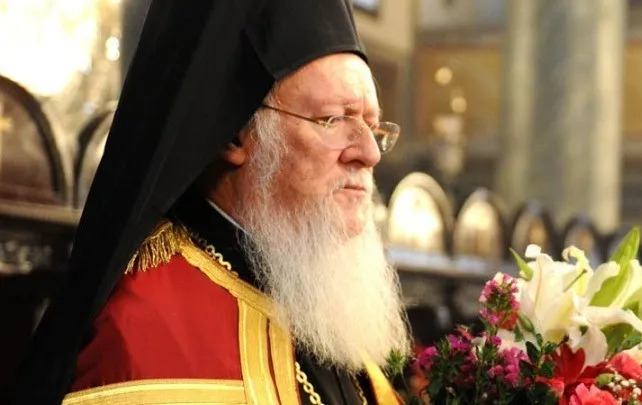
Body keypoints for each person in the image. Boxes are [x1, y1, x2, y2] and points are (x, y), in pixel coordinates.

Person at [13, 0, 410, 404]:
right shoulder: (145, 335)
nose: (369, 153)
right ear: (235, 134)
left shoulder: (329, 317)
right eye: (334, 120)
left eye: (372, 126)